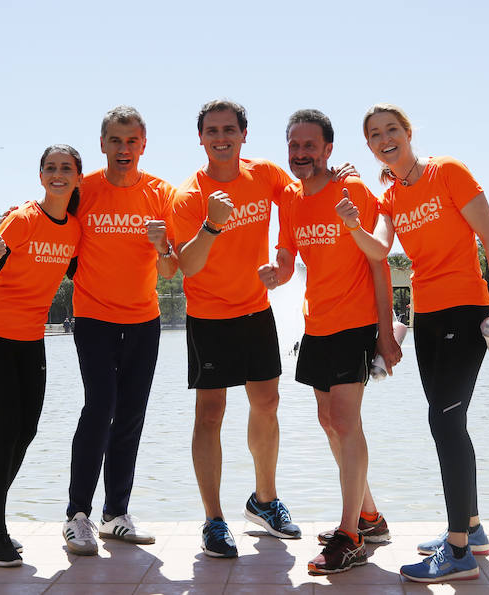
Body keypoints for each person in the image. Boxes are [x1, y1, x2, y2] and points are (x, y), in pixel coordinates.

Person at [344, 103, 489, 583]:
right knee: (449, 423)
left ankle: (458, 553)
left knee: (444, 421)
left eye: (391, 129)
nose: (385, 138)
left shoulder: (449, 173)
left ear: (408, 132)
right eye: (375, 134)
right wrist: (354, 223)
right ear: (371, 145)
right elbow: (379, 250)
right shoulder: (391, 197)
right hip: (428, 320)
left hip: (466, 309)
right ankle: (472, 530)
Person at [259, 109, 400, 574]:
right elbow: (288, 255)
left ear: (327, 149)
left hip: (354, 322)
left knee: (345, 419)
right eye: (294, 146)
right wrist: (276, 274)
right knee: (328, 420)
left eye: (309, 145)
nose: (301, 153)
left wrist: (386, 331)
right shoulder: (293, 200)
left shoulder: (353, 190)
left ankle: (350, 537)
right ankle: (370, 517)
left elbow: (379, 262)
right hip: (315, 324)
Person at [173, 99, 303, 558]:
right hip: (208, 316)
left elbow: (301, 196)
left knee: (267, 402)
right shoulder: (189, 196)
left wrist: (286, 256)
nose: (221, 137)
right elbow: (184, 266)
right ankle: (213, 520)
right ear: (202, 138)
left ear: (243, 135)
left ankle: (264, 502)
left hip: (254, 311)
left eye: (229, 129)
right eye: (212, 130)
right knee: (210, 414)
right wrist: (212, 223)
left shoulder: (265, 174)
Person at [61, 106, 178, 556]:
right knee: (100, 407)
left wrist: (161, 244)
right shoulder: (83, 189)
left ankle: (115, 515)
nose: (123, 149)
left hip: (144, 321)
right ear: (103, 144)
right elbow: (52, 219)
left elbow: (169, 269)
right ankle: (76, 516)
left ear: (143, 145)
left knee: (130, 414)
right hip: (93, 318)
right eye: (115, 140)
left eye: (132, 141)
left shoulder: (160, 193)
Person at [0, 145, 82, 567]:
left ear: (77, 177)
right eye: (50, 168)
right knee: (6, 429)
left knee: (26, 431)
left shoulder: (74, 229)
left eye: (65, 168)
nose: (57, 174)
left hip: (31, 341)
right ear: (41, 175)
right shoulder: (23, 219)